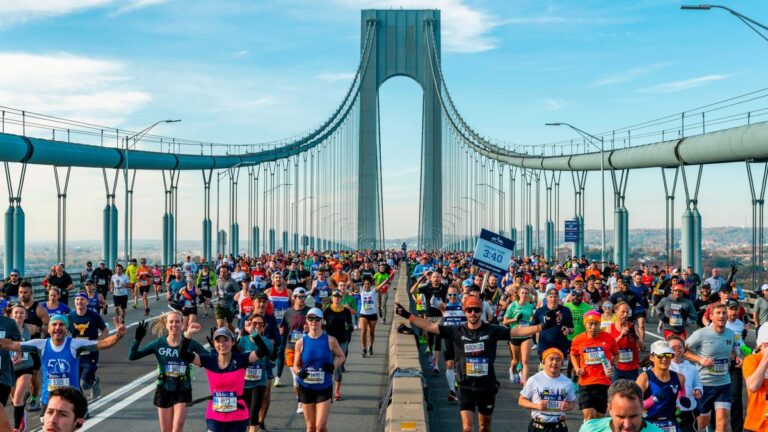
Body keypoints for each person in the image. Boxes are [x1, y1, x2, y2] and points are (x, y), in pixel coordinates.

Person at [395, 295, 551, 432]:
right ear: (465, 311)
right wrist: (407, 315)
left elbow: (516, 331)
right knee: (467, 428)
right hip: (465, 387)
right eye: (469, 310)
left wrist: (541, 327)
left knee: (484, 427)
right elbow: (429, 326)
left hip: (487, 387)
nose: (473, 313)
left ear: (480, 310)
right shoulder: (456, 331)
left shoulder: (491, 330)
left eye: (476, 310)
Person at [0, 314, 125, 414]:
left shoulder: (76, 344)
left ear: (67, 329)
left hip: (72, 400)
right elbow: (11, 345)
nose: (57, 327)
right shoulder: (40, 344)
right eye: (54, 324)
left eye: (61, 324)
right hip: (48, 400)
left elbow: (102, 344)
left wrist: (118, 335)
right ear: (49, 329)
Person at [179, 322, 271, 432]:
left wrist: (253, 334)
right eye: (218, 341)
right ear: (214, 343)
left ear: (232, 342)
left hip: (238, 415)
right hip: (215, 415)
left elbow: (263, 351)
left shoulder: (241, 359)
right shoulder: (209, 360)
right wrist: (188, 334)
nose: (222, 344)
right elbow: (182, 354)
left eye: (226, 340)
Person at [129, 311, 207, 432]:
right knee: (165, 430)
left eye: (177, 321)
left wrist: (216, 347)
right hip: (164, 389)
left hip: (183, 389)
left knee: (177, 428)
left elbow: (210, 359)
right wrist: (137, 339)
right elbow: (133, 356)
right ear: (166, 324)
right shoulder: (159, 344)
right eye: (171, 321)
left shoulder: (190, 344)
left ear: (182, 325)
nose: (174, 324)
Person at [684, 302, 739, 432]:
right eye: (718, 313)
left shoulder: (731, 334)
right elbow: (683, 350)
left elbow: (733, 351)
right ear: (711, 316)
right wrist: (700, 359)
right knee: (701, 423)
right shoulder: (701, 334)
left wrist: (737, 357)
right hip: (704, 384)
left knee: (723, 421)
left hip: (724, 383)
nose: (722, 316)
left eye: (724, 313)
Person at [292, 308, 346, 432]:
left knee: (320, 427)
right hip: (306, 387)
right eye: (311, 319)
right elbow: (295, 365)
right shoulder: (301, 342)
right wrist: (300, 372)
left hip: (324, 387)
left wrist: (333, 365)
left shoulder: (330, 340)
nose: (313, 321)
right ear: (307, 320)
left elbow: (341, 356)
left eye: (317, 319)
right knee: (310, 427)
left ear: (322, 321)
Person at [570, 310, 619, 421]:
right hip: (586, 381)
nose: (593, 327)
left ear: (600, 324)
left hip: (603, 381)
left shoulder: (608, 338)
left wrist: (613, 366)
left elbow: (616, 353)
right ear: (585, 324)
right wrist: (577, 368)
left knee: (599, 417)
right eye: (590, 324)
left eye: (596, 324)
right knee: (588, 416)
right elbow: (573, 354)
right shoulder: (578, 339)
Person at [518, 347, 577, 432]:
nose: (554, 362)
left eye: (558, 360)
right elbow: (521, 400)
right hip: (538, 427)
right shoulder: (534, 379)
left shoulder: (567, 382)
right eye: (551, 359)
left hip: (559, 427)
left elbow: (572, 402)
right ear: (543, 362)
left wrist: (567, 406)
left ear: (562, 363)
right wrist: (537, 406)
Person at [635, 340, 689, 432]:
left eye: (668, 355)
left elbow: (681, 392)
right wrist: (653, 400)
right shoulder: (644, 378)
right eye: (660, 355)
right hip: (650, 424)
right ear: (652, 357)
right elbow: (633, 405)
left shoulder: (680, 378)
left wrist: (682, 399)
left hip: (671, 424)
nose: (664, 359)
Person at [579, 379, 665, 432]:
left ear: (642, 408)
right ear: (609, 409)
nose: (627, 425)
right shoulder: (590, 429)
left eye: (633, 416)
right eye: (621, 417)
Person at [68, 291, 108, 399]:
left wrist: (97, 343)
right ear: (74, 302)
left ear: (87, 301)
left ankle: (94, 381)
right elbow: (65, 332)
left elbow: (105, 330)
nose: (79, 301)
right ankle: (82, 407)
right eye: (77, 299)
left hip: (91, 353)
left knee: (84, 384)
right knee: (75, 384)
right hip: (76, 353)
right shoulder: (70, 316)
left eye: (82, 299)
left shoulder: (93, 315)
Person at [237, 313, 273, 432]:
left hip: (259, 383)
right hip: (243, 383)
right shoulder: (242, 341)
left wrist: (254, 334)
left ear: (264, 327)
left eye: (260, 324)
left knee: (253, 415)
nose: (257, 326)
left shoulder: (266, 342)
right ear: (249, 324)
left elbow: (266, 352)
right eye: (255, 323)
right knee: (244, 415)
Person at [281, 287, 311, 413]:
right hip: (291, 348)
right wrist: (281, 330)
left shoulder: (310, 312)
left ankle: (305, 399)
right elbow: (283, 327)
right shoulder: (288, 312)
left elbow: (318, 328)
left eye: (304, 297)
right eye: (299, 297)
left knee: (302, 377)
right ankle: (300, 401)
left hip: (306, 348)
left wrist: (308, 329)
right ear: (294, 298)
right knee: (296, 377)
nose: (302, 299)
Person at [323, 290, 353, 401]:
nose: (336, 298)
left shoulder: (346, 311)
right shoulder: (327, 310)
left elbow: (350, 324)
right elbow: (322, 324)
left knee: (338, 366)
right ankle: (327, 389)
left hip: (342, 340)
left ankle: (337, 390)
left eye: (338, 296)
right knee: (328, 364)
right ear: (332, 298)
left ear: (341, 298)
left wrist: (349, 328)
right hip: (330, 341)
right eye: (335, 296)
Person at [668, 335, 702, 432]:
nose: (677, 349)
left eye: (679, 347)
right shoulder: (663, 368)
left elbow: (697, 384)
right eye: (673, 347)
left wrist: (698, 390)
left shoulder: (691, 368)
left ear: (684, 349)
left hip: (688, 410)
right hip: (670, 411)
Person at [503, 284, 534, 385]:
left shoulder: (530, 306)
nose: (524, 295)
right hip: (515, 335)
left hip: (526, 335)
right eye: (522, 293)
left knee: (525, 361)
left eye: (526, 293)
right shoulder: (513, 305)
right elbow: (505, 321)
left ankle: (525, 385)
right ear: (519, 294)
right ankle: (512, 370)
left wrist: (532, 322)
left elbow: (532, 318)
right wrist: (515, 319)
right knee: (515, 360)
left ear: (528, 295)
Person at [441, 286, 466, 401]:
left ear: (459, 294)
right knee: (450, 364)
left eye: (454, 295)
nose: (452, 297)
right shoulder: (444, 306)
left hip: (461, 338)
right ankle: (452, 391)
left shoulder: (464, 306)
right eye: (450, 295)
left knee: (461, 365)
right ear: (447, 295)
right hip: (448, 337)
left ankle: (462, 387)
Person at [9, 304, 32, 431]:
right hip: (10, 369)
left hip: (26, 367)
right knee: (15, 401)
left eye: (21, 313)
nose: (18, 315)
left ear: (25, 315)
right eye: (16, 313)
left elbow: (46, 331)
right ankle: (22, 413)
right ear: (11, 315)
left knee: (18, 398)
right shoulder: (5, 329)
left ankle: (17, 428)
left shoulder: (30, 328)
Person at [606, 302, 641, 381]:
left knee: (632, 392)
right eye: (623, 312)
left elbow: (641, 346)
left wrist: (636, 337)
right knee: (616, 392)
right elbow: (607, 347)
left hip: (632, 368)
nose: (625, 315)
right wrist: (620, 336)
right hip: (616, 368)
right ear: (616, 311)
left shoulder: (633, 326)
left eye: (627, 312)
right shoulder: (610, 328)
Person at [743, 324, 768, 432]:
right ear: (764, 343)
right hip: (756, 425)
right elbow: (753, 386)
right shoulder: (752, 360)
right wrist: (766, 359)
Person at [358, 277, 379, 359]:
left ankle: (370, 346)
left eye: (368, 284)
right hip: (363, 314)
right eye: (365, 284)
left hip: (373, 314)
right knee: (363, 331)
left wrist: (388, 279)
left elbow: (381, 286)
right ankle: (364, 349)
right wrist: (349, 275)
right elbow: (352, 285)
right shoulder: (361, 291)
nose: (366, 285)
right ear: (363, 285)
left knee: (371, 333)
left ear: (371, 285)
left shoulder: (373, 291)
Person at [215, 265, 241, 333]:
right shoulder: (218, 280)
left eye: (224, 272)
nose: (222, 274)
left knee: (229, 326)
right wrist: (216, 293)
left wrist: (228, 294)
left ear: (228, 272)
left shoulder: (232, 281)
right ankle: (219, 339)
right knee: (220, 324)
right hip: (220, 305)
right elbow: (216, 290)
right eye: (221, 272)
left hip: (230, 306)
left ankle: (233, 336)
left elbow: (238, 293)